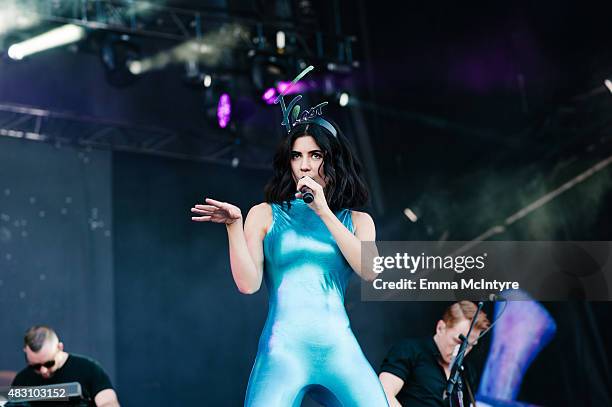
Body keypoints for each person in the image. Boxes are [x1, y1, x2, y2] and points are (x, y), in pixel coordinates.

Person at [191, 79, 389, 406]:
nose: (305, 165)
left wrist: (324, 211)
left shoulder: (357, 220)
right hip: (283, 350)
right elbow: (248, 284)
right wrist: (234, 226)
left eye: (315, 155)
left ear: (331, 158)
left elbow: (369, 271)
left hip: (339, 348)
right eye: (297, 156)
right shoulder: (265, 214)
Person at [379, 301, 490, 407]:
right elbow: (383, 393)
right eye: (458, 342)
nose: (463, 351)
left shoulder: (468, 372)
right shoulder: (409, 350)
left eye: (470, 345)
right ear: (440, 328)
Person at [11, 325, 120, 407]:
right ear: (25, 352)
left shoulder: (88, 369)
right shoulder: (22, 379)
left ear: (60, 347)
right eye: (35, 366)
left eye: (49, 363)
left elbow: (109, 402)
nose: (43, 370)